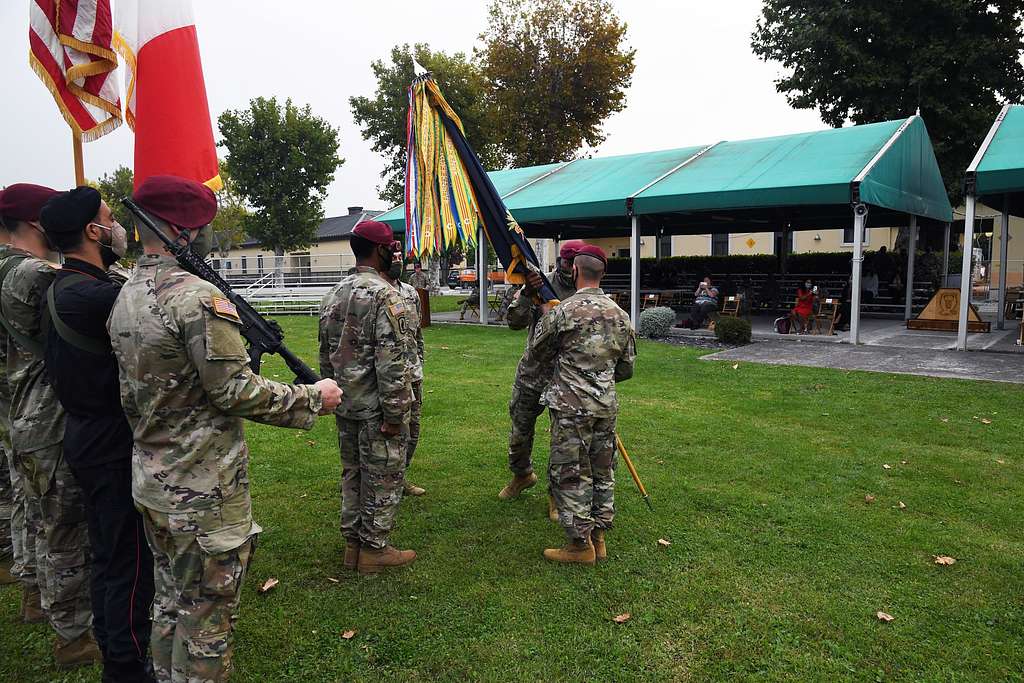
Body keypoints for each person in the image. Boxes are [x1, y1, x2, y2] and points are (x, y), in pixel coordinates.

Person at [107, 175, 342, 683]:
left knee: (171, 603)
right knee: (207, 618)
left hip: (152, 479)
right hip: (202, 490)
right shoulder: (196, 299)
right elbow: (234, 390)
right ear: (181, 231)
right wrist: (312, 398)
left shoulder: (126, 294)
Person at [39, 187, 155, 682]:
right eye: (111, 219)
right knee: (126, 562)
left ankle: (119, 653)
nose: (117, 228)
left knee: (112, 555)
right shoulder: (95, 295)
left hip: (89, 435)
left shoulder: (63, 285)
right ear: (92, 231)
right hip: (109, 439)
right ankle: (126, 666)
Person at [0, 183, 101, 668]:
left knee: (32, 511)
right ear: (40, 223)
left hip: (16, 412)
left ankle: (34, 596)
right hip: (48, 413)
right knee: (63, 527)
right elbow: (90, 287)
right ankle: (73, 636)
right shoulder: (36, 275)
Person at [318, 220, 415, 576]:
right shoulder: (385, 295)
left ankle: (352, 545)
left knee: (353, 474)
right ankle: (375, 549)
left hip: (345, 402)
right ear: (380, 251)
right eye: (391, 247)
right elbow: (391, 361)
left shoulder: (334, 293)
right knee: (383, 475)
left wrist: (333, 395)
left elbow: (325, 353)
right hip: (376, 407)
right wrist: (396, 413)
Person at [530, 245, 636, 564]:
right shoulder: (620, 314)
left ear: (574, 271)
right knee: (603, 470)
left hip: (571, 406)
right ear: (602, 273)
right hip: (605, 405)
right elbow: (627, 368)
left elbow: (538, 353)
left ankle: (579, 545)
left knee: (572, 472)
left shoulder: (563, 311)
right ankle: (599, 537)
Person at [498, 240, 583, 510]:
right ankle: (522, 475)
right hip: (533, 373)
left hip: (568, 377)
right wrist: (526, 293)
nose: (569, 268)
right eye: (565, 262)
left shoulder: (587, 291)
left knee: (565, 441)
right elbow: (514, 322)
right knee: (519, 432)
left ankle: (556, 496)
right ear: (560, 262)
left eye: (573, 263)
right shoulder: (539, 283)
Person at [380, 249, 426, 497]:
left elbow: (417, 335)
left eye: (400, 255)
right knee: (388, 431)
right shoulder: (375, 292)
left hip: (413, 374)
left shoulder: (410, 293)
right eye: (393, 255)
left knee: (413, 430)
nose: (398, 259)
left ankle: (400, 477)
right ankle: (383, 481)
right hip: (387, 375)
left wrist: (420, 365)